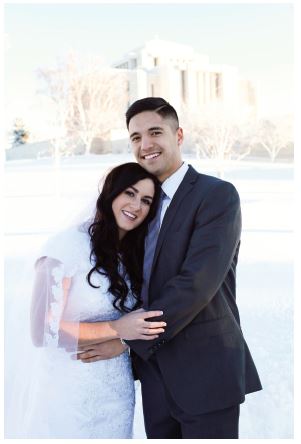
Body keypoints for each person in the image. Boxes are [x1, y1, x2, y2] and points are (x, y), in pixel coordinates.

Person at [76, 97, 263, 439]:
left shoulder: (217, 195)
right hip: (155, 377)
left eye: (155, 132)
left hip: (205, 369)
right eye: (135, 137)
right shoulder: (139, 205)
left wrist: (129, 339)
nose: (145, 145)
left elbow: (197, 284)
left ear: (178, 136)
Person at [6, 162, 166, 439]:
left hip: (116, 394)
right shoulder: (66, 246)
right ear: (110, 193)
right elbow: (42, 331)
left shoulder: (134, 256)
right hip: (69, 392)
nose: (136, 205)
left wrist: (123, 342)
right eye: (129, 193)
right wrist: (116, 329)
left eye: (146, 200)